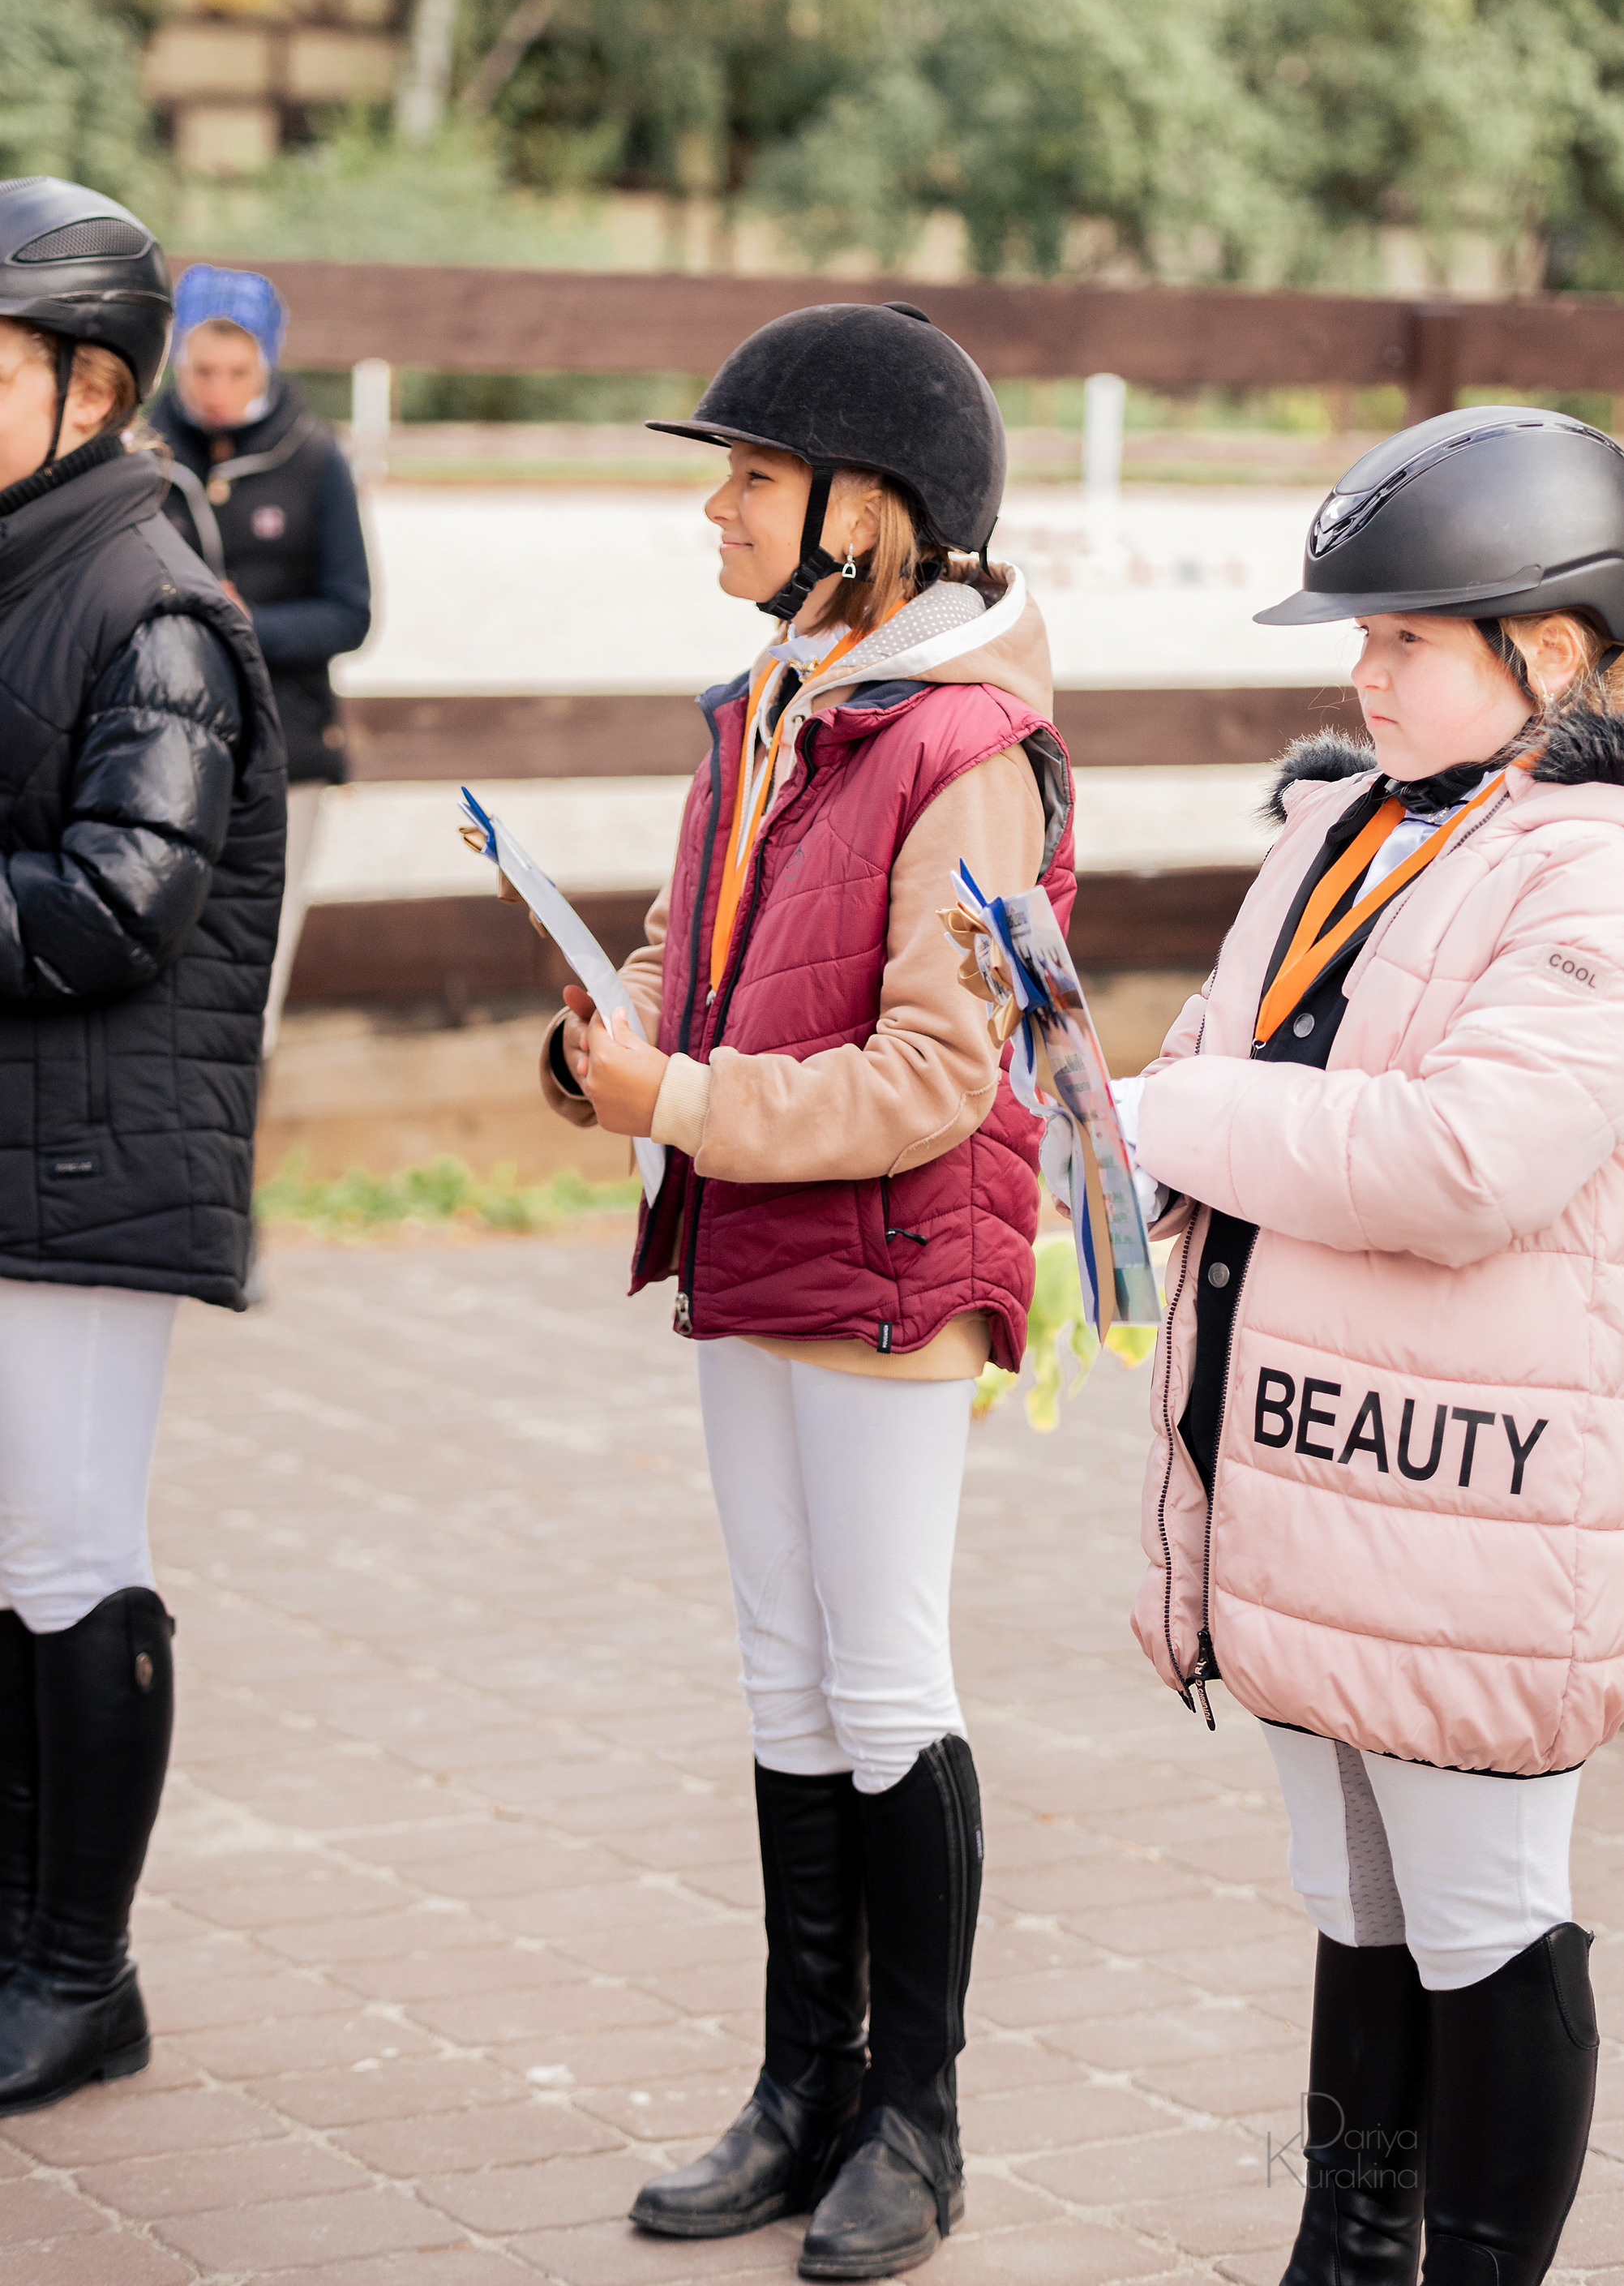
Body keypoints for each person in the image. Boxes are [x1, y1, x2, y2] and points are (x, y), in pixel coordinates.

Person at [537, 302, 1074, 2280]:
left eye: (752, 478)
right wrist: (616, 1044)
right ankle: (798, 2085)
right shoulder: (768, 701)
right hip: (758, 1240)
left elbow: (944, 1074)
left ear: (878, 511)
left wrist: (675, 1092)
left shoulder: (974, 753)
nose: (719, 513)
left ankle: (913, 2119)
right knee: (782, 1670)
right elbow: (694, 954)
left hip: (884, 1273)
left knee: (885, 1673)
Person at [1127, 406, 1624, 2286]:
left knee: (1485, 1909)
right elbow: (1208, 1057)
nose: (1362, 666)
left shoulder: (1594, 870)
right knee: (1356, 1900)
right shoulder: (1348, 821)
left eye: (1403, 635)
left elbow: (1466, 1157)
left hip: (1471, 1499)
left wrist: (1172, 1122)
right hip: (1302, 1469)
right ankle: (1344, 2252)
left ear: (1549, 652)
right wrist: (1173, 1114)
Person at [0, 178, 285, 2111]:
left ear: (88, 385)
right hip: (17, 1141)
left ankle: (79, 1972)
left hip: (94, 1165)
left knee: (66, 1553)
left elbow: (120, 902)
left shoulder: (154, 597)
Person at [149, 263, 370, 1051]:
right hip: (160, 743)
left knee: (256, 968)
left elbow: (351, 614)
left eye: (237, 371)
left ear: (266, 363)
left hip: (285, 749)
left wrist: (244, 625)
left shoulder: (313, 458)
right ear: (178, 361)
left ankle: (239, 1145)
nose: (218, 388)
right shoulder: (139, 455)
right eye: (203, 369)